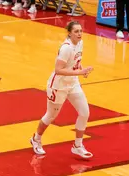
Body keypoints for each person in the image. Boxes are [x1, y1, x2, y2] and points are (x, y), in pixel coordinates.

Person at [30, 21, 94, 159]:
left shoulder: (80, 44)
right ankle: (36, 139)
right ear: (69, 33)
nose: (79, 34)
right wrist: (79, 73)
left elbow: (75, 62)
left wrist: (81, 69)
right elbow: (58, 70)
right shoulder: (66, 48)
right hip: (58, 86)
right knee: (51, 116)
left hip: (73, 84)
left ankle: (78, 146)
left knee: (84, 113)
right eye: (76, 31)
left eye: (81, 31)